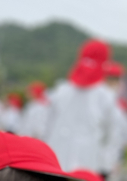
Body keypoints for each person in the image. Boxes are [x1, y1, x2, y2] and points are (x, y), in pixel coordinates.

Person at [45, 39, 116, 173]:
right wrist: (106, 166)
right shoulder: (106, 97)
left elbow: (46, 128)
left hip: (54, 166)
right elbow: (111, 137)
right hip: (86, 172)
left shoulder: (60, 90)